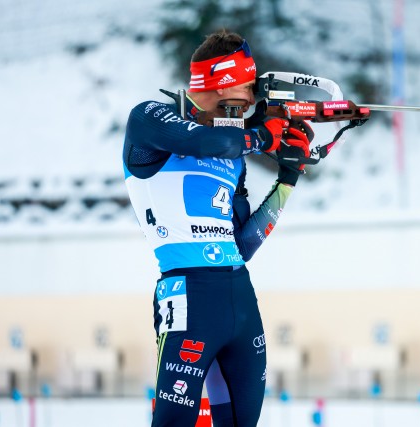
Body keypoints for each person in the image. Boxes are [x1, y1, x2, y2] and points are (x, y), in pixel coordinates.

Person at [122, 29, 312, 427]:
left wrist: (289, 177)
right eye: (244, 96)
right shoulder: (148, 121)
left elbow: (243, 245)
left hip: (240, 299)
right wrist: (262, 136)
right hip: (189, 297)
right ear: (219, 86)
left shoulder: (235, 157)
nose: (248, 108)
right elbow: (209, 142)